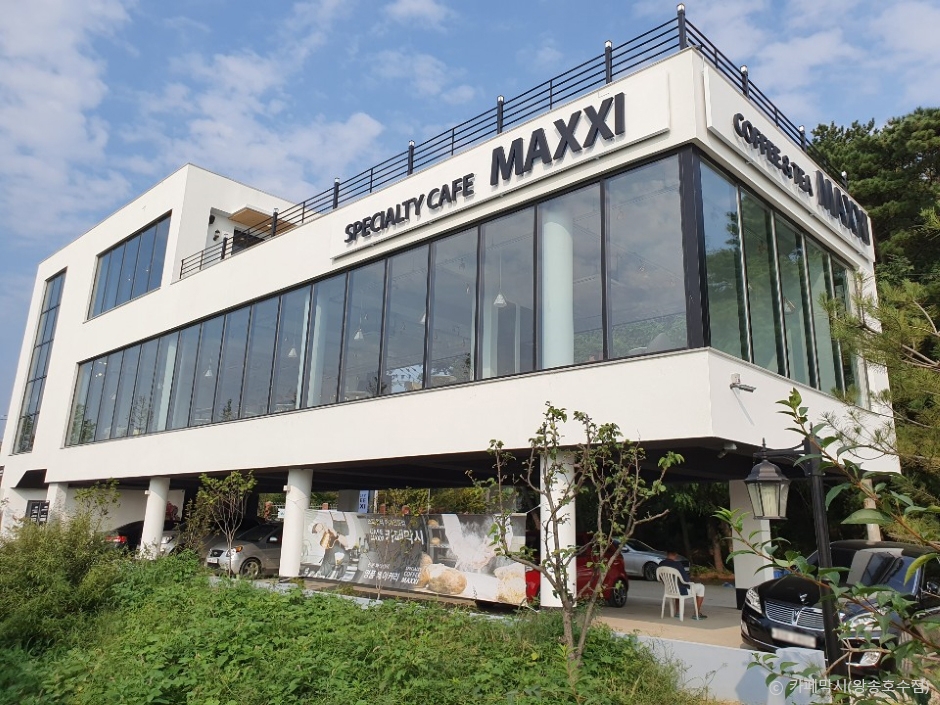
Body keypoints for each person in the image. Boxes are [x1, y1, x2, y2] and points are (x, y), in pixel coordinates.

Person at [660, 550, 706, 619]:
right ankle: (696, 613)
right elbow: (686, 580)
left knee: (678, 586)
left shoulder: (661, 564)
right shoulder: (677, 564)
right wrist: (692, 583)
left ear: (667, 554)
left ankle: (678, 612)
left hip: (669, 590)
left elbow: (660, 578)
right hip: (680, 590)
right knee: (701, 587)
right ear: (675, 554)